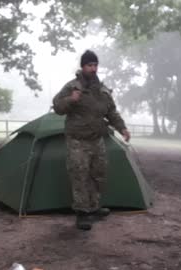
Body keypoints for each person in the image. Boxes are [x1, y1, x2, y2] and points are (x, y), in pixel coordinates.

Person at [53, 50, 131, 230]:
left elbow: (111, 112)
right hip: (77, 141)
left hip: (97, 140)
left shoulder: (102, 90)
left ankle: (94, 207)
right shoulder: (72, 87)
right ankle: (82, 213)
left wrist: (122, 128)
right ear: (83, 66)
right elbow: (57, 107)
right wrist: (71, 100)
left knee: (98, 175)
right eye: (89, 65)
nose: (93, 68)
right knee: (79, 176)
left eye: (95, 65)